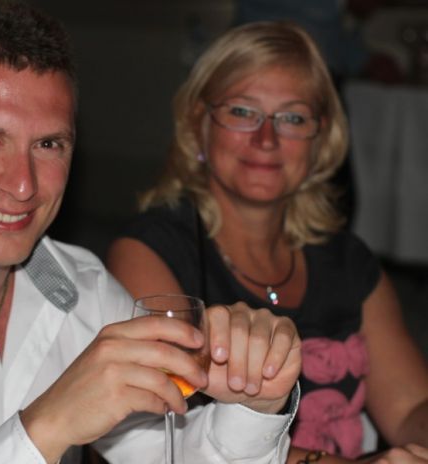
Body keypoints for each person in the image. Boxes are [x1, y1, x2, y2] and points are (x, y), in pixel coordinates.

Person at [0, 2, 302, 463]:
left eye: (48, 144)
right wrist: (48, 426)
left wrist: (257, 403)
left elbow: (165, 453)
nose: (23, 184)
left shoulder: (80, 289)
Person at [107, 21, 428, 464]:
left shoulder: (349, 261)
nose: (266, 139)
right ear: (199, 124)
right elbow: (165, 440)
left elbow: (411, 407)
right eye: (243, 112)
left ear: (321, 139)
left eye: (292, 118)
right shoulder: (149, 252)